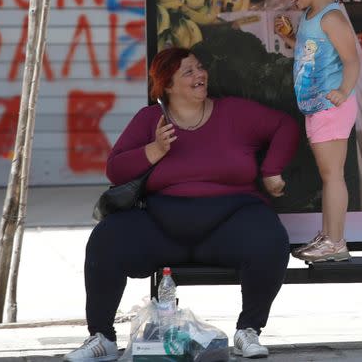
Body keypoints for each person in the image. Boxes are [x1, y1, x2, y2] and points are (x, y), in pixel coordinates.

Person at [63, 48, 300, 361]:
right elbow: (115, 169)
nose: (199, 75)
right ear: (168, 86)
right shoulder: (150, 120)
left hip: (230, 220)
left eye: (200, 68)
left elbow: (285, 125)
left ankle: (249, 330)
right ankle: (102, 338)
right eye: (188, 72)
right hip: (164, 223)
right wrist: (155, 149)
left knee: (270, 239)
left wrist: (271, 170)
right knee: (106, 239)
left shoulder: (235, 112)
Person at [273, 0, 360, 262]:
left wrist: (343, 90)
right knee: (329, 175)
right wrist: (290, 38)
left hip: (330, 107)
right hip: (317, 106)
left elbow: (352, 62)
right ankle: (329, 236)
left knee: (332, 175)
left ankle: (335, 242)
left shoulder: (332, 17)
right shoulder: (311, 16)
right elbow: (310, 53)